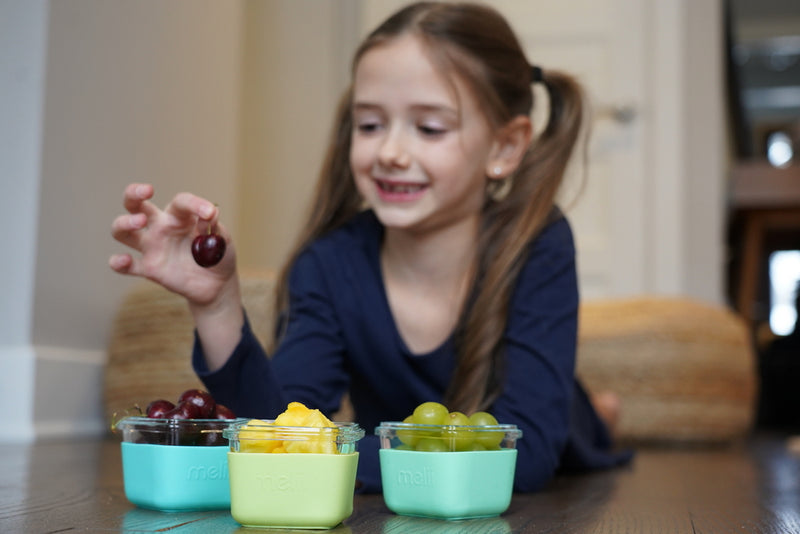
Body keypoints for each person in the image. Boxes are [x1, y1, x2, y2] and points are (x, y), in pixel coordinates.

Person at [109, 1, 631, 493]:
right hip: (407, 433)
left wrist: (340, 452)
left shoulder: (538, 239)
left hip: (547, 424)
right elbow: (281, 433)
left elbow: (530, 455)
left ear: (505, 147)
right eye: (370, 124)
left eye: (428, 127)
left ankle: (600, 412)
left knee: (580, 427)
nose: (390, 152)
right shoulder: (329, 265)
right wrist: (216, 304)